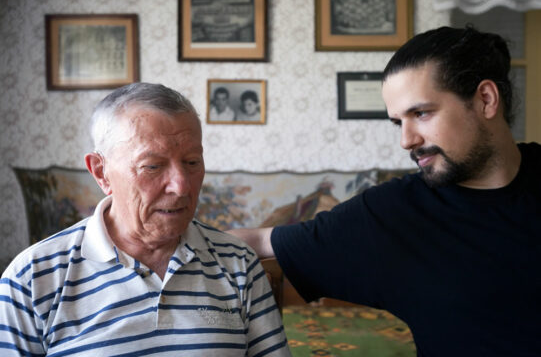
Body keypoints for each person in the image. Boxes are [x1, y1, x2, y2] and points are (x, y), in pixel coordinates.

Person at [229, 26, 541, 356]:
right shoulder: (393, 213)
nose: (407, 140)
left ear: (485, 100)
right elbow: (260, 241)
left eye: (421, 113)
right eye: (398, 122)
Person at [0, 83, 291, 356]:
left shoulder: (238, 264)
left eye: (192, 162)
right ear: (101, 173)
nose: (181, 186)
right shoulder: (32, 279)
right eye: (152, 166)